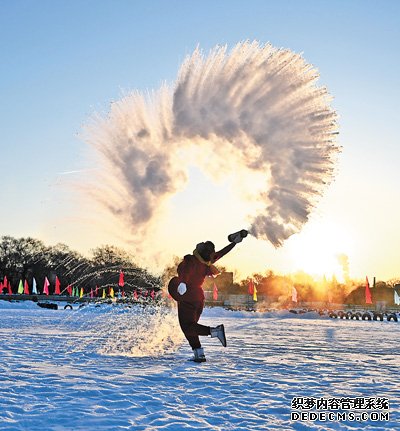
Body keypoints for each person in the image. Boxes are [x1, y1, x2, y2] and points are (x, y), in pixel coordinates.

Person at [168, 230, 247, 362]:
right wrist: (234, 242)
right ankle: (199, 353)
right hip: (199, 298)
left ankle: (215, 331)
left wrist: (182, 283)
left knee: (187, 326)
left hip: (187, 296)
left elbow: (185, 271)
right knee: (191, 327)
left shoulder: (191, 260)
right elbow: (222, 253)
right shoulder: (207, 262)